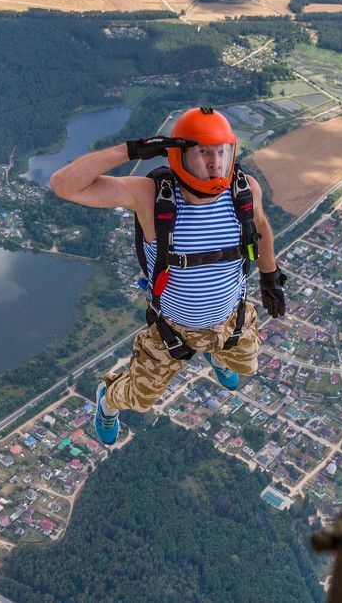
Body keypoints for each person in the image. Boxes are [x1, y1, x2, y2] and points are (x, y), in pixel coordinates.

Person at [50, 106, 287, 445]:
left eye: (221, 153)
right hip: (172, 329)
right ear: (179, 157)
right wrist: (130, 150)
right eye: (203, 153)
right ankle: (107, 401)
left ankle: (214, 351)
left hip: (230, 318)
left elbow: (260, 226)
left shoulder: (243, 190)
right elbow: (64, 186)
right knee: (139, 398)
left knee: (247, 367)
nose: (215, 164)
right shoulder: (152, 196)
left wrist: (269, 276)